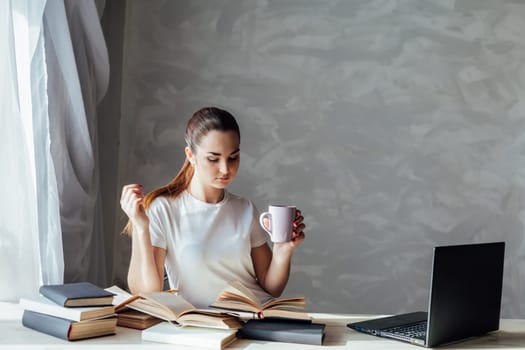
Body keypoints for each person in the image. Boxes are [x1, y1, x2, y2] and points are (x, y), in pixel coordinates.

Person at [120, 107, 306, 309]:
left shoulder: (245, 209)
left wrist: (282, 250)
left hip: (256, 317)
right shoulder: (164, 209)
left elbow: (272, 289)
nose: (225, 169)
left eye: (233, 157)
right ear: (191, 155)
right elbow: (147, 292)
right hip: (206, 326)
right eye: (213, 159)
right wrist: (141, 228)